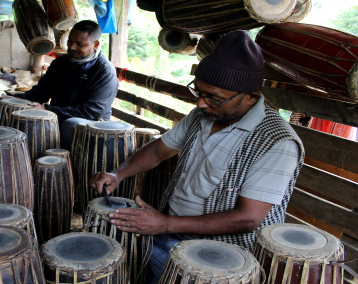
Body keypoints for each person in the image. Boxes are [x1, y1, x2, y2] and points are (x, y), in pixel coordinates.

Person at [89, 30, 305, 283]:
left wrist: (165, 224)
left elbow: (248, 218)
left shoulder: (276, 142)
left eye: (214, 97)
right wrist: (119, 173)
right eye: (199, 92)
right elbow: (160, 150)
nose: (201, 103)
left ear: (251, 97)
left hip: (223, 257)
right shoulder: (206, 114)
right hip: (171, 230)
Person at [18, 20, 118, 150]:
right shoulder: (61, 63)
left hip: (91, 123)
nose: (71, 47)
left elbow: (91, 112)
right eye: (70, 41)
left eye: (79, 44)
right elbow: (41, 91)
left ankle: (63, 163)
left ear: (95, 44)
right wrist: (18, 100)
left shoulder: (105, 72)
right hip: (58, 115)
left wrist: (49, 110)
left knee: (70, 123)